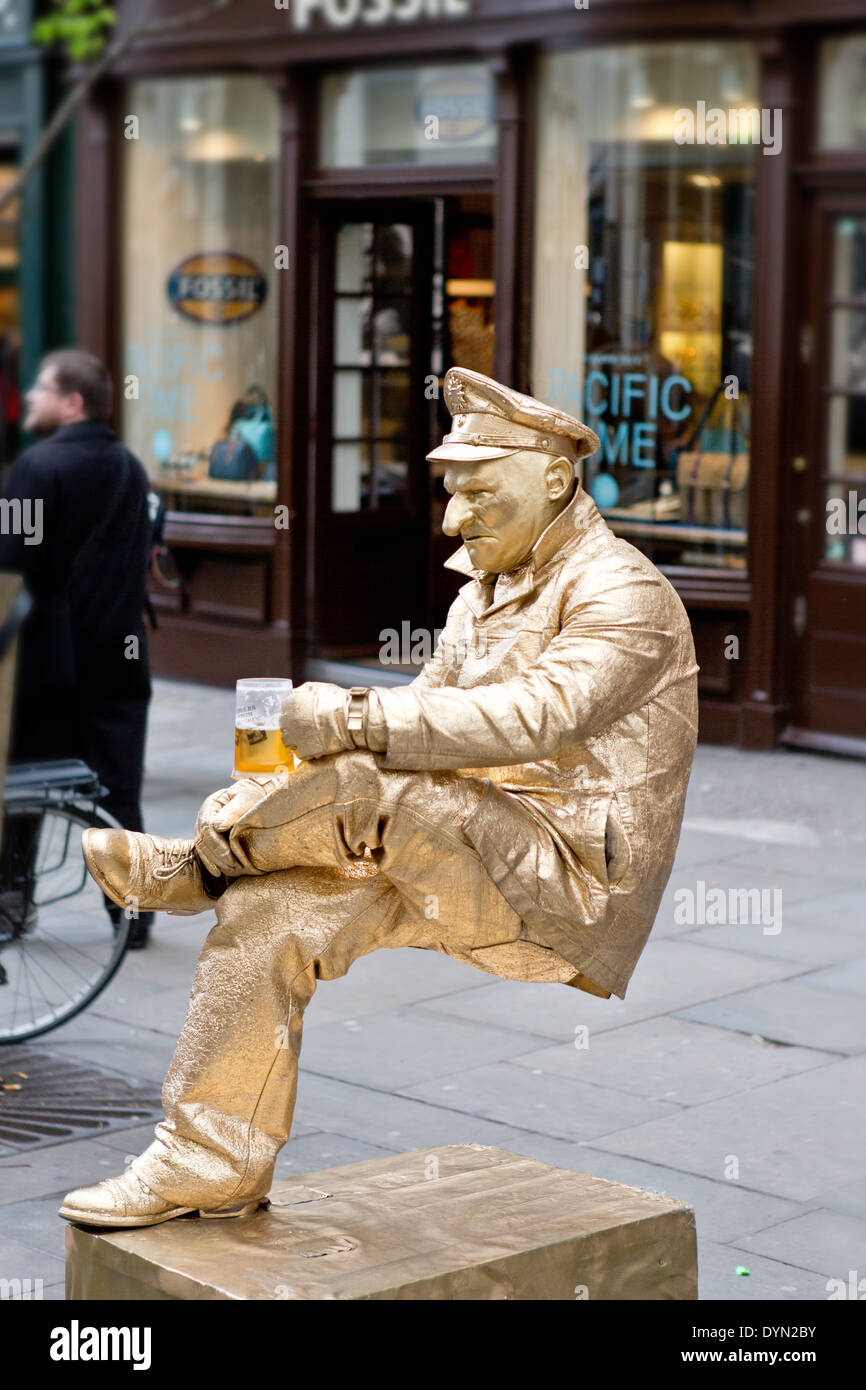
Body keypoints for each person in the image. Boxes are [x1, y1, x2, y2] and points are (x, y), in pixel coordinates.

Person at [60, 366, 699, 1227]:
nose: (453, 517)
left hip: (568, 877)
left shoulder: (622, 592)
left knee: (369, 781)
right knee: (270, 916)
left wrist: (353, 714)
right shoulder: (484, 591)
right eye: (450, 491)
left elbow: (538, 718)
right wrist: (313, 771)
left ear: (555, 477)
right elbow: (434, 713)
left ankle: (200, 861)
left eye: (478, 492)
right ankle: (208, 1161)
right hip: (450, 838)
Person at [0, 349, 154, 948]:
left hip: (48, 666)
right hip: (119, 654)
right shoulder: (128, 467)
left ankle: (11, 908)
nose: (30, 398)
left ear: (72, 402)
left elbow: (11, 568)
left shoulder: (38, 467)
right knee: (118, 790)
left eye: (41, 388)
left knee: (26, 792)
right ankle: (134, 916)